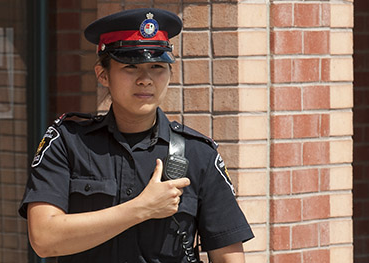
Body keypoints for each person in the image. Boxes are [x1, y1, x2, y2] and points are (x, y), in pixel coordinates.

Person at [18, 8, 254, 263]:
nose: (146, 79)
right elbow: (44, 239)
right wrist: (142, 208)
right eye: (131, 66)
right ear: (103, 74)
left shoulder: (198, 154)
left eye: (157, 66)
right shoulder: (67, 142)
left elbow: (228, 256)